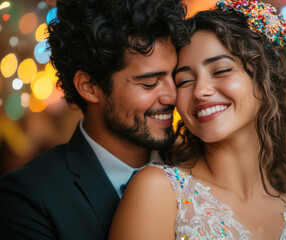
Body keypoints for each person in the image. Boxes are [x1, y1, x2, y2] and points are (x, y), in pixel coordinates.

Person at [109, 1, 286, 239]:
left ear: (267, 80)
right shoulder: (159, 191)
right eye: (184, 81)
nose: (200, 91)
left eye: (221, 70)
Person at [0, 0, 186, 239]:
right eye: (149, 82)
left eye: (177, 75)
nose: (173, 96)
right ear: (89, 87)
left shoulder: (196, 163)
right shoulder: (26, 198)